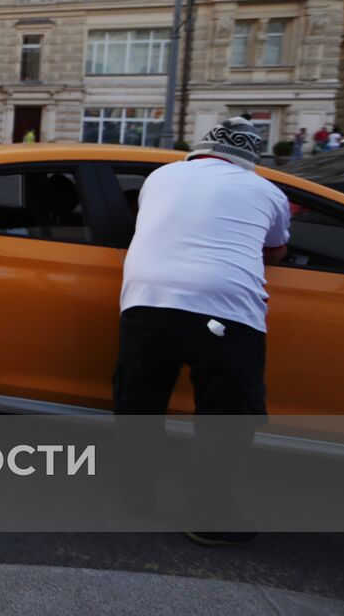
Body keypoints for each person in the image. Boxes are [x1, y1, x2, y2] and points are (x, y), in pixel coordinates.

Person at [112, 114, 290, 547]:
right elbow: (278, 250)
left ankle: (137, 494)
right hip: (227, 310)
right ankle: (208, 515)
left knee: (140, 400)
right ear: (250, 157)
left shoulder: (161, 176)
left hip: (147, 300)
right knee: (225, 415)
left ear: (200, 148)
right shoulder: (268, 191)